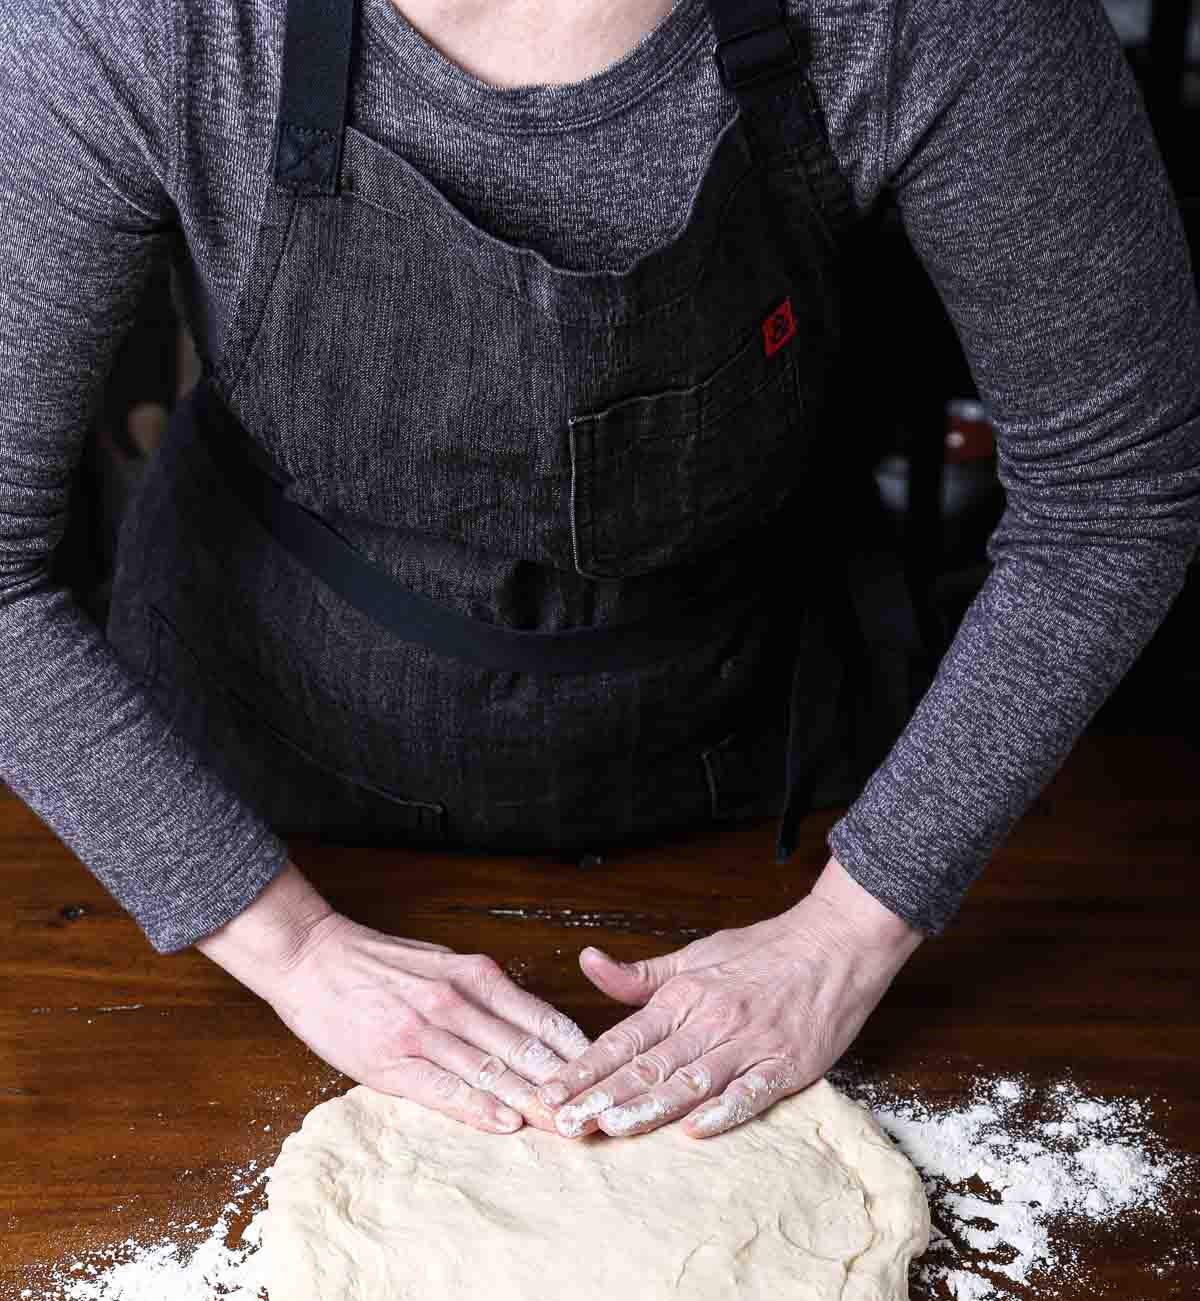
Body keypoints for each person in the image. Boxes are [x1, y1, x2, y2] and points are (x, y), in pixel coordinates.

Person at [1, 0, 1197, 1146]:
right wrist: (291, 947)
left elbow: (1114, 499)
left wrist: (849, 927)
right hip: (258, 796)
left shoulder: (933, 21)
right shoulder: (146, 24)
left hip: (764, 789)